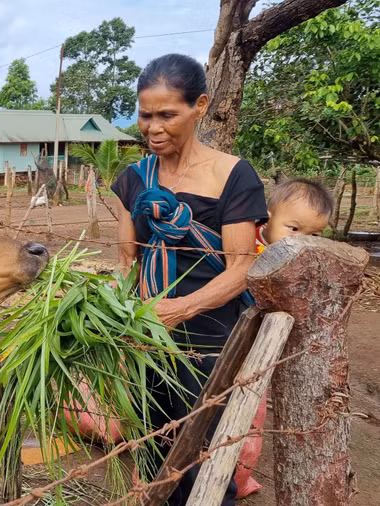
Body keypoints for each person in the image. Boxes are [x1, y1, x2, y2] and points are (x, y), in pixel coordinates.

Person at [110, 53, 268, 505]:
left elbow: (242, 266)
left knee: (204, 449)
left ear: (199, 106)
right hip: (147, 336)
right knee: (149, 443)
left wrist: (180, 309)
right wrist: (126, 317)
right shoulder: (133, 179)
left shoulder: (232, 176)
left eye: (167, 115)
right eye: (145, 115)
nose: (153, 127)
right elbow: (127, 261)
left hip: (211, 336)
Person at [235, 177, 333, 497]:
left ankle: (236, 480)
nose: (300, 241)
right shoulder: (241, 240)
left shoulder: (307, 261)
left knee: (251, 418)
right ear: (267, 217)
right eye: (293, 229)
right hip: (223, 341)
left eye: (314, 235)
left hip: (261, 353)